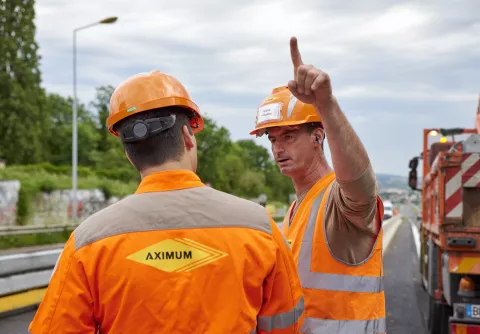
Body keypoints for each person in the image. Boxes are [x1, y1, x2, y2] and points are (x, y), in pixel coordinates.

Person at [29, 70, 305, 334]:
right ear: (188, 137)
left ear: (129, 154)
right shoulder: (258, 228)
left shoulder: (88, 243)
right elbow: (287, 325)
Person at [249, 37, 386, 334]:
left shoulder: (337, 202)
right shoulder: (296, 207)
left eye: (288, 137)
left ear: (317, 137)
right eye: (273, 139)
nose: (277, 149)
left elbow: (360, 184)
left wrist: (326, 105)